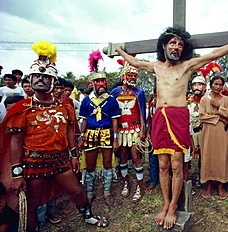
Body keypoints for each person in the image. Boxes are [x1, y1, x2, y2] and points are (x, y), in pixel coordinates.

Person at [115, 26, 228, 229]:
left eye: (180, 45)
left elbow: (215, 53)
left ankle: (173, 207)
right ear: (164, 45)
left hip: (178, 117)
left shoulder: (187, 66)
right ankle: (164, 205)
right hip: (160, 117)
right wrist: (119, 50)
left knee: (177, 165)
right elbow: (135, 62)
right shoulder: (157, 67)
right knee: (163, 165)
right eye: (172, 43)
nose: (176, 47)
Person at [0, 41, 109, 231]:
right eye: (37, 76)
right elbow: (15, 143)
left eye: (45, 77)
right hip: (33, 163)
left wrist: (74, 155)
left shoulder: (64, 106)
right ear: (31, 78)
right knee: (33, 204)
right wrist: (17, 174)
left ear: (53, 81)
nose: (40, 80)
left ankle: (88, 216)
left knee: (76, 191)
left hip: (60, 160)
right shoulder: (21, 108)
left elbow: (69, 132)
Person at [78, 49, 120, 206]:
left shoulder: (111, 100)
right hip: (90, 135)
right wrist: (81, 137)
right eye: (98, 81)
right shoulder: (85, 101)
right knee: (90, 165)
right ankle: (89, 193)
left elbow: (115, 121)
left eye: (104, 81)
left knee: (108, 163)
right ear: (91, 84)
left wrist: (115, 139)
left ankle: (107, 192)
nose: (102, 84)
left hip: (107, 134)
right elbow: (83, 120)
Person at [110, 59, 147, 202]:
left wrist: (143, 131)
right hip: (120, 131)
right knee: (123, 156)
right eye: (129, 75)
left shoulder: (139, 93)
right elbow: (112, 113)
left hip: (135, 129)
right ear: (123, 77)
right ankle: (126, 182)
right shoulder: (115, 92)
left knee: (136, 157)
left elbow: (142, 113)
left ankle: (140, 185)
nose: (132, 78)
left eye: (134, 76)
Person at [199, 75, 228, 199]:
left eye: (220, 84)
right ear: (211, 85)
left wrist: (218, 107)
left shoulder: (226, 100)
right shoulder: (204, 99)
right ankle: (208, 185)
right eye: (216, 84)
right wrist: (218, 117)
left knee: (222, 156)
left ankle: (221, 185)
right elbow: (202, 116)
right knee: (207, 156)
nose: (218, 87)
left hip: (223, 132)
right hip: (208, 131)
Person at [187, 75, 207, 187]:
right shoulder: (186, 101)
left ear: (204, 87)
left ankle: (201, 175)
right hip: (189, 133)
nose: (197, 87)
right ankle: (185, 176)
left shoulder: (207, 101)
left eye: (199, 84)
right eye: (194, 85)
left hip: (203, 131)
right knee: (188, 154)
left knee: (203, 156)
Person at [145, 88, 159, 194]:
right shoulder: (151, 104)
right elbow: (150, 121)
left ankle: (164, 178)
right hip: (152, 133)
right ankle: (153, 180)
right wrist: (148, 133)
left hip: (162, 134)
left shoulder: (167, 103)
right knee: (153, 158)